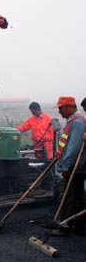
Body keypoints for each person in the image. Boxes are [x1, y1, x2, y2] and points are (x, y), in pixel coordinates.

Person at [52, 96, 86, 235]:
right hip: (77, 166)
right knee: (79, 197)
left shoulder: (77, 123)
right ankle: (80, 227)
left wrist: (66, 167)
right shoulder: (73, 122)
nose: (59, 111)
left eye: (61, 108)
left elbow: (73, 148)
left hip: (75, 167)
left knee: (69, 197)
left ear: (69, 107)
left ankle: (64, 227)